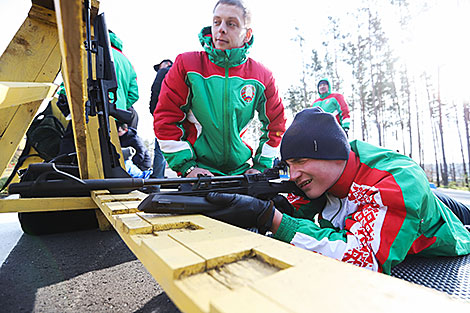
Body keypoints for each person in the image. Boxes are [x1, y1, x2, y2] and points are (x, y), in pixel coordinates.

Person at [203, 107, 470, 274]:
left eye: (301, 161)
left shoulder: (398, 180)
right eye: (289, 165)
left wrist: (270, 218)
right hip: (411, 204)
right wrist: (275, 206)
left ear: (332, 153)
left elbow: (363, 260)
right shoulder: (324, 179)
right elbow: (298, 215)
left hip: (445, 225)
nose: (294, 175)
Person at [153, 0, 286, 178]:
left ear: (247, 35)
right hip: (198, 172)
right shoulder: (186, 65)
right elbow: (165, 117)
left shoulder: (262, 76)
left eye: (231, 24)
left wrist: (262, 166)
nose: (221, 29)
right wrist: (188, 167)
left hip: (241, 172)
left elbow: (276, 125)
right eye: (216, 22)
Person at [109, 30, 139, 129]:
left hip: (92, 109)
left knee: (69, 142)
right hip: (117, 115)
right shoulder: (127, 62)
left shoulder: (92, 51)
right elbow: (134, 95)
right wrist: (120, 105)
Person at [149, 59, 173, 182]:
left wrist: (153, 111)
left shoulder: (164, 71)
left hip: (164, 113)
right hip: (182, 112)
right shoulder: (181, 72)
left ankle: (156, 181)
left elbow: (155, 91)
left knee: (160, 147)